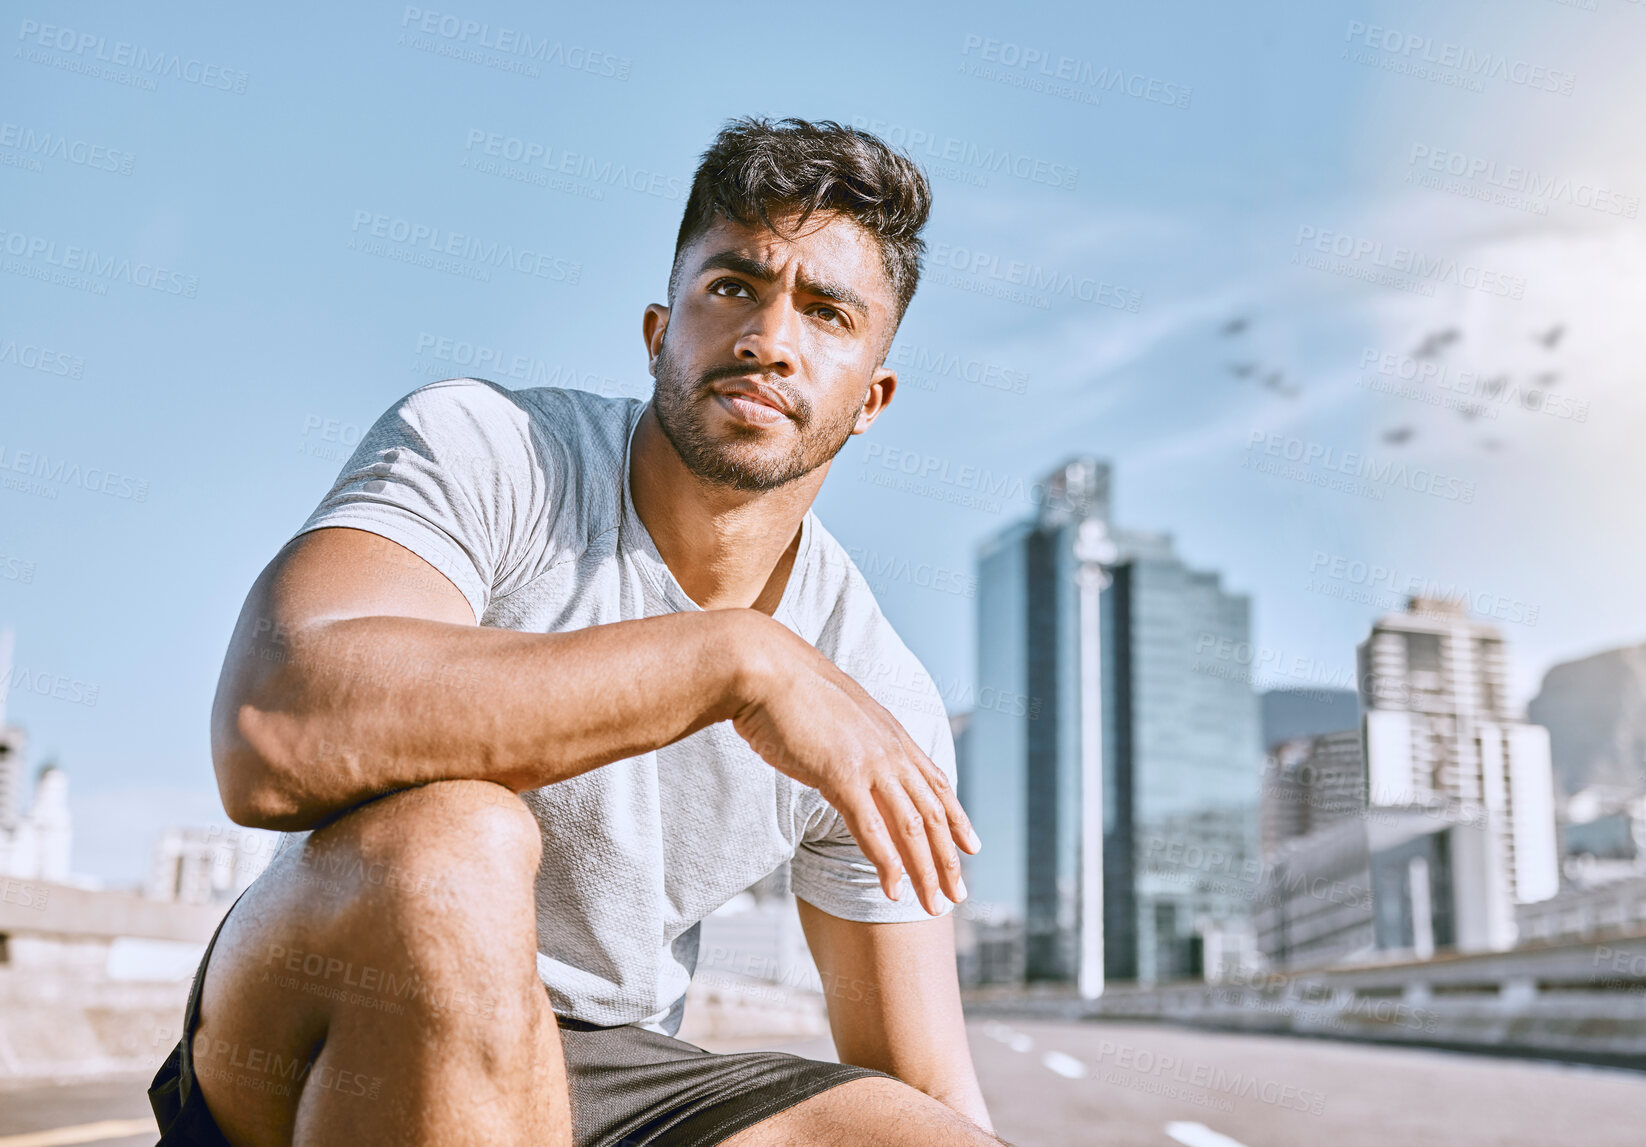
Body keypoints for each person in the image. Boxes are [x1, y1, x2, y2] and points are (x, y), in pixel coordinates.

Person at [147, 116, 1012, 1146]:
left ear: (872, 399)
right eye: (732, 286)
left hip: (614, 1068)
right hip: (332, 993)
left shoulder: (877, 694)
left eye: (826, 313)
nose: (769, 339)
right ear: (659, 332)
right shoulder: (492, 449)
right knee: (457, 841)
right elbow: (269, 730)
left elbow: (925, 1078)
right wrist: (734, 659)